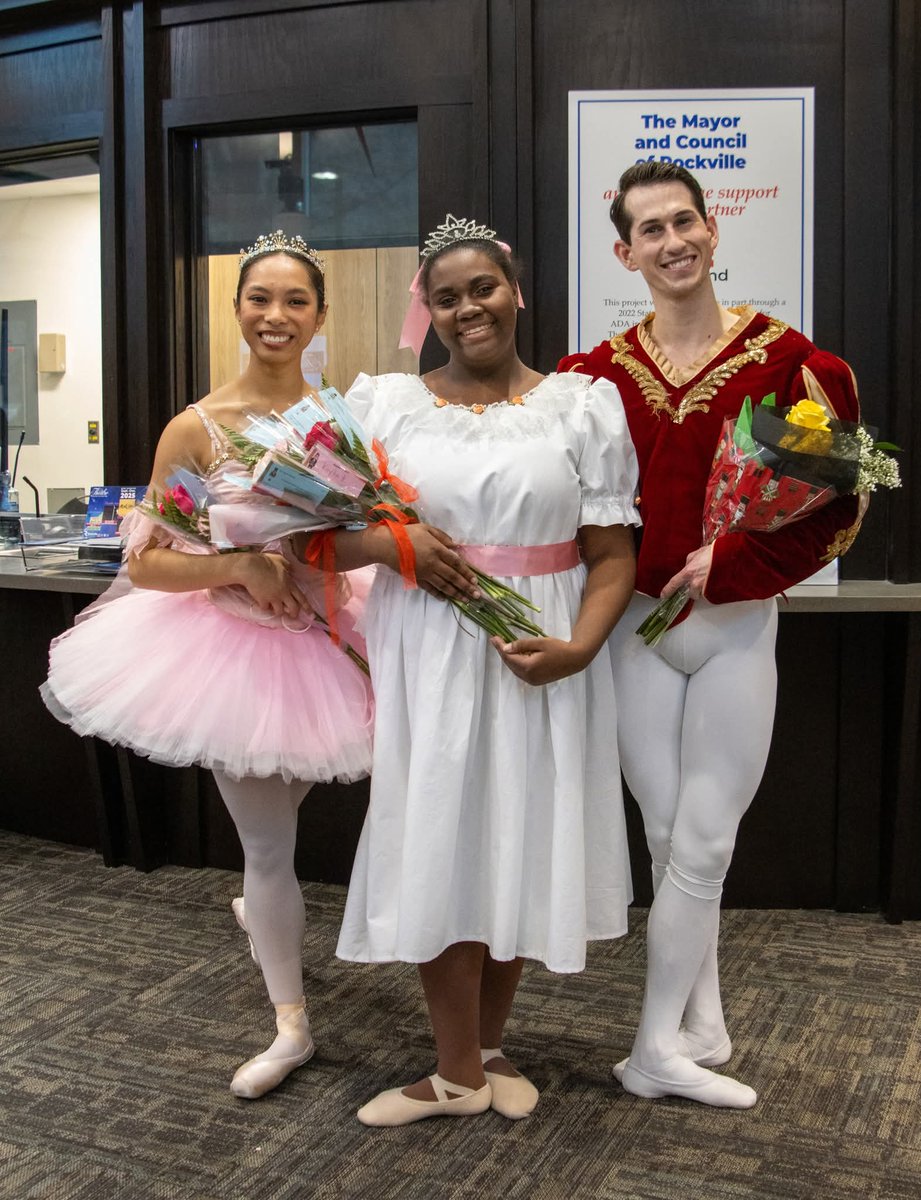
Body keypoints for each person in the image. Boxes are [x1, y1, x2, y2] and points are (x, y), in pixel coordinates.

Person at [559, 161, 865, 1109]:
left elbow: (836, 510)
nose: (672, 242)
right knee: (667, 836)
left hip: (735, 631)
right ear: (625, 252)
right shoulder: (594, 376)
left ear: (714, 226)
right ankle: (706, 1019)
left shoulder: (797, 366)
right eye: (649, 230)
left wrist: (731, 564)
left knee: (703, 843)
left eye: (683, 221)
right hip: (635, 639)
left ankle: (652, 1051)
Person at [41, 232, 374, 1100]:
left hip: (336, 634)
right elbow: (146, 564)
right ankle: (291, 1022)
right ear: (237, 311)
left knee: (308, 798)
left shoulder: (337, 422)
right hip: (234, 656)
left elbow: (369, 524)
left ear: (319, 317)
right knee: (270, 845)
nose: (276, 316)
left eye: (295, 301)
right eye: (260, 299)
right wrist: (238, 565)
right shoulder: (196, 428)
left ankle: (261, 917)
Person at [327, 214, 640, 1126]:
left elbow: (612, 554)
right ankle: (457, 1072)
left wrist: (579, 648)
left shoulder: (582, 405)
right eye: (448, 295)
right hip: (430, 649)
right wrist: (394, 542)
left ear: (516, 292)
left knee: (518, 833)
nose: (469, 308)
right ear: (426, 308)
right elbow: (315, 532)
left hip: (539, 652)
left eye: (484, 288)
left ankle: (488, 1048)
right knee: (441, 832)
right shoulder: (384, 403)